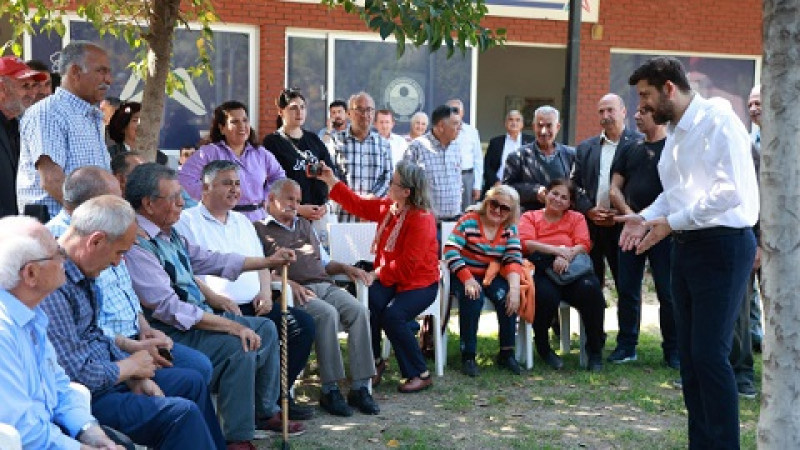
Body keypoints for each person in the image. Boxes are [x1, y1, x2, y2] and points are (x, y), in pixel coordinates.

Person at [620, 56, 758, 448]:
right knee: (692, 358)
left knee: (711, 356)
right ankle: (701, 442)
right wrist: (643, 218)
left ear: (669, 88)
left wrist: (672, 223)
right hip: (687, 246)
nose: (642, 106)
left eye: (646, 96)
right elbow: (676, 195)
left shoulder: (720, 120)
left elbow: (727, 191)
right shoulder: (676, 133)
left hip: (723, 247)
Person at [123, 163, 305, 448]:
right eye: (174, 197)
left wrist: (268, 262)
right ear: (148, 203)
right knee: (239, 346)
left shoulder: (168, 234)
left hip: (196, 321)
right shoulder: (137, 245)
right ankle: (237, 438)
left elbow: (213, 260)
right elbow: (170, 309)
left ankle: (263, 411)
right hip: (170, 332)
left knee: (265, 329)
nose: (182, 202)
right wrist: (231, 325)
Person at [40, 195, 226, 449]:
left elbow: (96, 335)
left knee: (191, 382)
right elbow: (75, 374)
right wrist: (128, 368)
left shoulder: (82, 272)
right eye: (119, 253)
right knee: (181, 414)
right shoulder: (54, 284)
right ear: (95, 241)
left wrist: (134, 375)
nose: (117, 262)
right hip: (84, 399)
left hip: (108, 380)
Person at [46, 166, 214, 385]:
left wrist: (145, 328)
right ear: (95, 203)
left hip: (134, 336)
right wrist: (129, 356)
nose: (126, 205)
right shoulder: (65, 244)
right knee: (188, 383)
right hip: (106, 350)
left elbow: (126, 290)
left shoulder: (115, 229)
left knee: (198, 367)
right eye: (118, 198)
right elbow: (86, 329)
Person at [175, 161, 316, 421]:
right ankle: (257, 405)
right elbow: (185, 273)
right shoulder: (186, 222)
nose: (234, 189)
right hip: (217, 308)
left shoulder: (242, 221)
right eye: (227, 183)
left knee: (302, 325)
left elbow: (261, 263)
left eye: (237, 183)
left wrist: (264, 292)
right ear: (206, 187)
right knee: (252, 337)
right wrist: (214, 297)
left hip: (255, 303)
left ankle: (273, 398)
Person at [254, 177, 380, 416]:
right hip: (294, 291)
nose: (295, 204)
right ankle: (330, 390)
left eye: (298, 200)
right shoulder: (259, 229)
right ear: (272, 199)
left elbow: (324, 262)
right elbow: (260, 271)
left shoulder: (304, 226)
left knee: (359, 311)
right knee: (327, 314)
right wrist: (287, 283)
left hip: (324, 284)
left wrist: (346, 268)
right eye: (290, 199)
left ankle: (360, 387)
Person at [0, 215, 126, 450]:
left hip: (50, 435)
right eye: (56, 253)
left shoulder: (32, 315)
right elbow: (21, 431)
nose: (64, 258)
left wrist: (90, 433)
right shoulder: (3, 332)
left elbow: (59, 386)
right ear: (30, 274)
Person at [318, 159, 440, 393]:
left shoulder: (421, 219)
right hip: (393, 279)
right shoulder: (391, 207)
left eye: (393, 184)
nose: (388, 187)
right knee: (367, 303)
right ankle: (373, 363)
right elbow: (359, 205)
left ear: (407, 191)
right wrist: (330, 180)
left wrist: (376, 273)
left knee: (392, 316)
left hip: (419, 284)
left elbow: (406, 267)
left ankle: (420, 373)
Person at [607, 108, 678, 368]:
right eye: (636, 112)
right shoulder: (629, 148)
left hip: (664, 231)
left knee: (668, 292)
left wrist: (649, 221)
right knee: (627, 289)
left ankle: (673, 350)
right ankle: (626, 346)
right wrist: (632, 217)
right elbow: (614, 188)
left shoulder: (673, 148)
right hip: (629, 230)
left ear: (658, 116)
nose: (637, 116)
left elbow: (677, 191)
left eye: (644, 112)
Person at [17, 41, 113, 219]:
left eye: (108, 72)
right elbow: (52, 181)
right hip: (59, 233)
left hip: (89, 227)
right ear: (75, 72)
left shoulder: (91, 115)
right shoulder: (49, 112)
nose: (108, 80)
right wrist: (95, 218)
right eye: (101, 71)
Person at [518, 179, 606, 371]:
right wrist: (557, 250)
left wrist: (567, 256)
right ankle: (543, 346)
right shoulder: (530, 217)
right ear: (546, 194)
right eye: (554, 193)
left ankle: (595, 350)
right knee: (546, 296)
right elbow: (526, 243)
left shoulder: (577, 218)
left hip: (572, 267)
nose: (558, 199)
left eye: (564, 197)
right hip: (542, 267)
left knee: (592, 291)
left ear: (570, 203)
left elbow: (583, 243)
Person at [443, 184, 523, 377]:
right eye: (494, 204)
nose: (497, 210)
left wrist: (514, 289)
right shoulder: (469, 221)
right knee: (473, 297)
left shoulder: (509, 228)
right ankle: (468, 355)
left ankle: (506, 352)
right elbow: (451, 249)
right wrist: (467, 279)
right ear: (487, 202)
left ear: (511, 212)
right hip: (464, 272)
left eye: (504, 208)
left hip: (491, 274)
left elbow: (513, 259)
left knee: (507, 298)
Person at [572, 93, 642, 289]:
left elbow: (643, 187)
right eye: (601, 111)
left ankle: (627, 322)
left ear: (623, 111)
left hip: (624, 226)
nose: (605, 115)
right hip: (592, 226)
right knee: (590, 287)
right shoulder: (586, 147)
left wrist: (622, 212)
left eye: (610, 110)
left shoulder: (639, 143)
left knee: (627, 288)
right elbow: (574, 186)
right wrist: (588, 210)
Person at [179, 100, 285, 221]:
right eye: (234, 122)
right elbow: (185, 178)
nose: (242, 126)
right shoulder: (209, 153)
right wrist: (211, 196)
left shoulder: (261, 154)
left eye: (245, 120)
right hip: (221, 219)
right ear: (222, 128)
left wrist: (267, 197)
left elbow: (279, 176)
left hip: (258, 220)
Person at [263, 88, 339, 226]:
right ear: (281, 111)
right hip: (288, 217)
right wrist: (297, 209)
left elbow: (331, 174)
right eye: (293, 108)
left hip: (319, 215)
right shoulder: (272, 142)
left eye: (302, 107)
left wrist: (325, 206)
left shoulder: (313, 139)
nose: (299, 112)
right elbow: (269, 186)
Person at [330, 92, 393, 222]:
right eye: (359, 109)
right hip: (344, 216)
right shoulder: (336, 142)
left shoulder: (383, 144)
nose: (365, 114)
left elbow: (388, 177)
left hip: (374, 216)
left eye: (369, 110)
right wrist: (353, 201)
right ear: (348, 113)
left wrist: (371, 198)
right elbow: (333, 177)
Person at [503, 106, 575, 212]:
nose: (544, 131)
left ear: (558, 127)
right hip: (529, 219)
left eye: (549, 126)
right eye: (540, 126)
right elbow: (507, 189)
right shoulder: (517, 156)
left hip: (563, 220)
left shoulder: (570, 155)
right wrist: (534, 191)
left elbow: (577, 188)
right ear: (533, 126)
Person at [0, 57, 46, 218]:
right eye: (25, 86)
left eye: (34, 86)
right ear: (2, 88)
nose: (33, 93)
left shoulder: (22, 125)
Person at [403, 104, 463, 223]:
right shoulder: (417, 147)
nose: (460, 128)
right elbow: (405, 185)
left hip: (454, 222)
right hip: (427, 223)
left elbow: (458, 180)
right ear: (441, 126)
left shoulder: (456, 146)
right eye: (455, 124)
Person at [483, 109, 534, 197]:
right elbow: (487, 166)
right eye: (511, 119)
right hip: (498, 187)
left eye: (517, 120)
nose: (514, 123)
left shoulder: (531, 142)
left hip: (522, 188)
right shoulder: (495, 142)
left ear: (522, 124)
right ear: (505, 123)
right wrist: (495, 182)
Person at [446, 99, 483, 211]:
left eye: (457, 110)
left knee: (468, 211)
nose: (454, 113)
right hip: (448, 176)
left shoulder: (472, 131)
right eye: (451, 110)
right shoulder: (442, 130)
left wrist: (477, 185)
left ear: (463, 113)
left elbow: (478, 159)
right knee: (448, 210)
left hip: (467, 177)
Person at [106, 101, 168, 165]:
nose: (141, 125)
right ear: (123, 126)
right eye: (135, 120)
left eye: (144, 120)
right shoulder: (110, 154)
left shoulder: (160, 157)